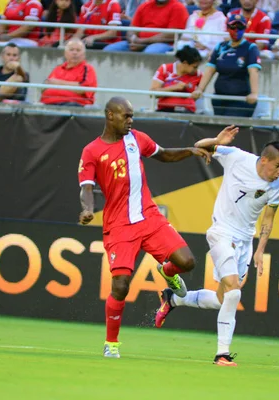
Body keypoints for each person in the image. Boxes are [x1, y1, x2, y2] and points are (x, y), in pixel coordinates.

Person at [78, 96, 212, 358]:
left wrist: (190, 150)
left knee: (187, 262)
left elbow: (163, 155)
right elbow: (86, 188)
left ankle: (167, 272)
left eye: (132, 116)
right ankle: (111, 344)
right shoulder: (92, 151)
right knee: (121, 285)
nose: (131, 120)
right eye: (126, 116)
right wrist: (86, 209)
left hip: (149, 218)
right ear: (110, 116)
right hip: (119, 226)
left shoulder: (137, 138)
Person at [155, 126, 279, 367]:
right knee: (234, 291)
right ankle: (222, 354)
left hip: (245, 242)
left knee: (222, 298)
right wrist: (216, 140)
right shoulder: (236, 157)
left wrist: (259, 250)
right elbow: (199, 147)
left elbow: (268, 219)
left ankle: (174, 299)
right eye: (277, 166)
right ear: (265, 160)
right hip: (221, 233)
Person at [192, 14, 261, 117]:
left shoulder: (250, 48)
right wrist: (200, 89)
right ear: (227, 28)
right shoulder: (220, 47)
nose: (236, 30)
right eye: (233, 27)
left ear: (245, 28)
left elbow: (253, 71)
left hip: (240, 99)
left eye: (240, 27)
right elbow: (210, 70)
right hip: (220, 98)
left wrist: (254, 93)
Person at [103, 0, 189, 53]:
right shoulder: (144, 6)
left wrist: (142, 43)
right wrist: (134, 40)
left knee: (150, 52)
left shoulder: (178, 7)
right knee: (109, 50)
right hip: (138, 42)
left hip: (165, 44)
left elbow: (170, 35)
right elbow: (131, 30)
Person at [41, 39, 97, 106]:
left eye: (78, 50)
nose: (74, 53)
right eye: (71, 50)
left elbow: (82, 89)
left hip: (72, 104)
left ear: (84, 55)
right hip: (47, 102)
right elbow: (45, 87)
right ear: (65, 53)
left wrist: (57, 83)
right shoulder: (58, 68)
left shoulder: (87, 68)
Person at [150, 46, 202, 113]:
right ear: (185, 63)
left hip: (188, 111)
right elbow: (152, 93)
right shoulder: (165, 69)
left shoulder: (198, 74)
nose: (196, 70)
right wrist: (174, 88)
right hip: (164, 110)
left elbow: (200, 92)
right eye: (194, 67)